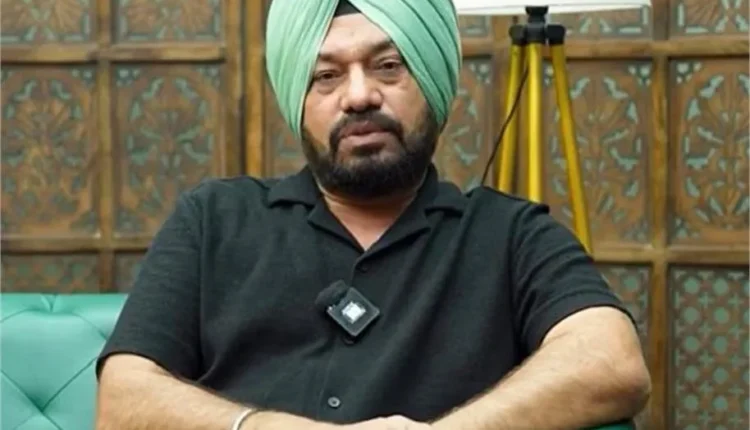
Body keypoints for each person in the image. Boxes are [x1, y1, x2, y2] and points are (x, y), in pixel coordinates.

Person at [94, 0, 651, 429]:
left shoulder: (510, 234)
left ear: (432, 83)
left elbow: (611, 361)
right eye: (327, 75)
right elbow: (123, 398)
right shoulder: (214, 219)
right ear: (297, 98)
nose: (359, 96)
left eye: (388, 67)